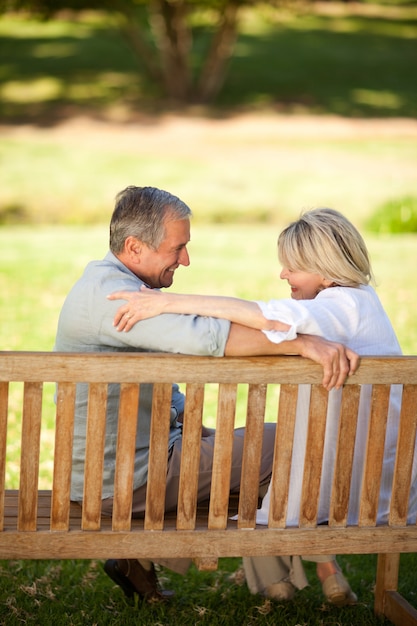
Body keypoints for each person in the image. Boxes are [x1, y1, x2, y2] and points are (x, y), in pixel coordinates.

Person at [54, 187, 358, 606]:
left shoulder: (110, 283)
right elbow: (209, 337)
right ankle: (311, 570)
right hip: (126, 483)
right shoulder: (115, 298)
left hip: (117, 471)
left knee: (249, 447)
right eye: (177, 248)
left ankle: (144, 559)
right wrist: (302, 343)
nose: (186, 259)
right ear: (134, 247)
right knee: (287, 438)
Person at [108, 207, 413, 607]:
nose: (284, 275)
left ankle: (257, 574)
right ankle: (293, 576)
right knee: (264, 449)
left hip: (348, 492)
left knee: (260, 453)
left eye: (292, 267)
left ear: (325, 271)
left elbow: (260, 315)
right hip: (382, 484)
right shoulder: (360, 302)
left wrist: (166, 303)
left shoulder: (339, 306)